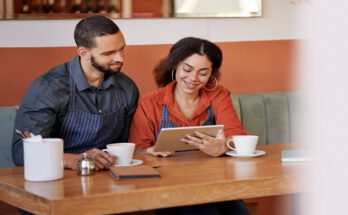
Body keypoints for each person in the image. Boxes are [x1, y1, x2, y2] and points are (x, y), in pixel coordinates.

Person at [129, 37, 249, 215]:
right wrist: (149, 151)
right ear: (175, 66)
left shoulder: (218, 95)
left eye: (203, 72)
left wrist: (224, 145)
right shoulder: (150, 101)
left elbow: (238, 137)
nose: (193, 78)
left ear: (211, 74)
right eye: (187, 69)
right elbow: (137, 151)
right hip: (167, 187)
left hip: (214, 183)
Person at [12, 15, 139, 171]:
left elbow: (126, 144)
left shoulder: (127, 87)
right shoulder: (48, 87)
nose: (120, 58)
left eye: (122, 49)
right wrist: (75, 160)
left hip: (109, 176)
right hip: (58, 177)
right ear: (83, 52)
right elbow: (21, 152)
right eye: (108, 53)